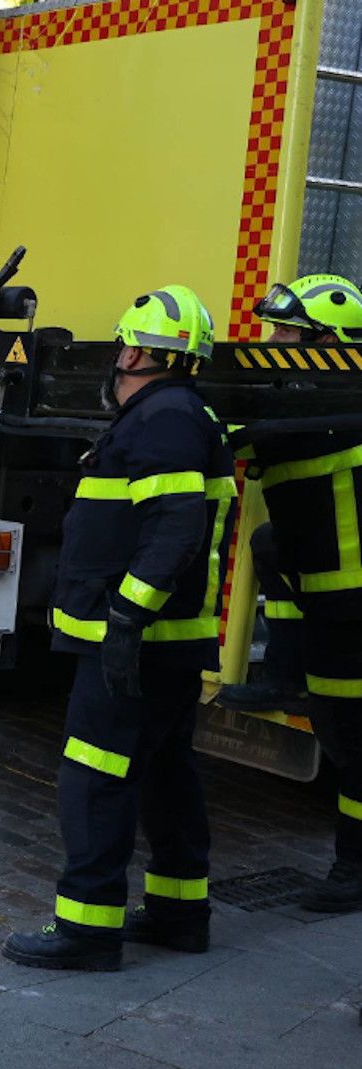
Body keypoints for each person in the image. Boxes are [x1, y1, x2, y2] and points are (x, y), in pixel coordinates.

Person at [3, 285, 234, 973]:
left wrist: (127, 615)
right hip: (159, 642)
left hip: (132, 644)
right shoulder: (181, 413)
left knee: (94, 777)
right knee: (164, 770)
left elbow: (175, 528)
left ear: (133, 350)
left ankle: (87, 929)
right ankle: (177, 912)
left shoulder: (161, 420)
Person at [224, 275, 362, 912]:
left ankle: (354, 869)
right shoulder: (305, 401)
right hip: (324, 590)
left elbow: (253, 436)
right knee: (270, 545)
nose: (274, 342)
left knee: (349, 736)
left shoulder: (327, 412)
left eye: (290, 334)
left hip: (351, 605)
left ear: (335, 346)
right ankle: (283, 672)